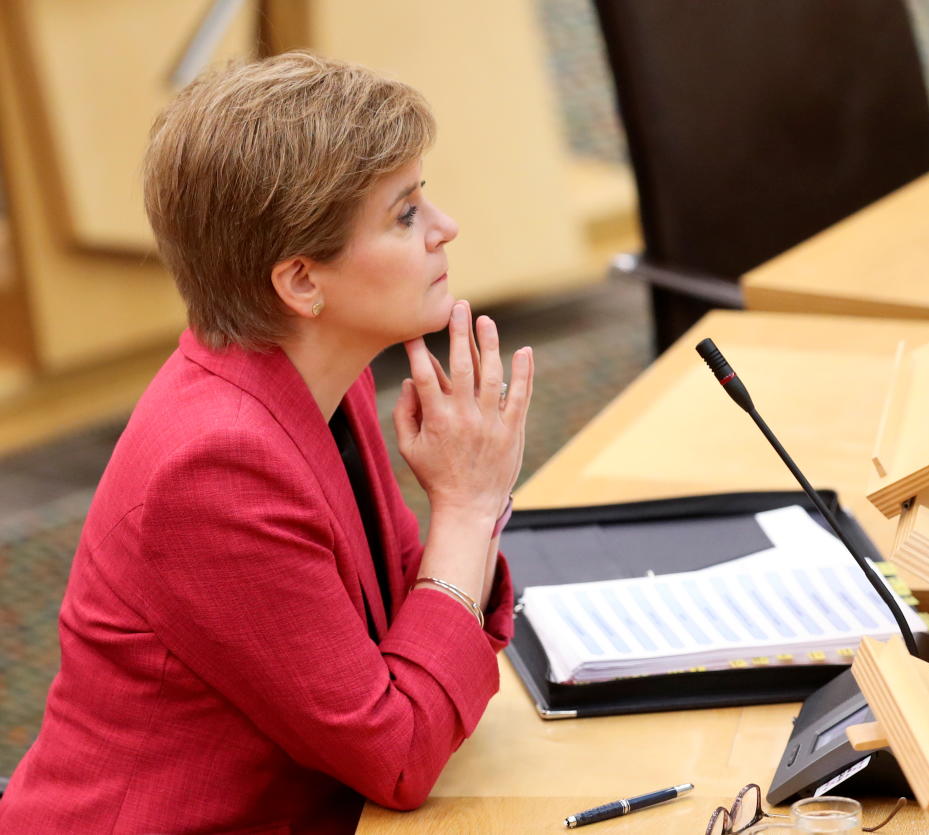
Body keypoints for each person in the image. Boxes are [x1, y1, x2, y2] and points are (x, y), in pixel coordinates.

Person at [0, 52, 531, 834]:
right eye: (407, 213)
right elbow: (399, 751)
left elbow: (402, 639)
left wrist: (464, 513)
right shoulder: (214, 467)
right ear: (302, 283)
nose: (445, 227)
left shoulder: (322, 378)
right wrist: (468, 502)